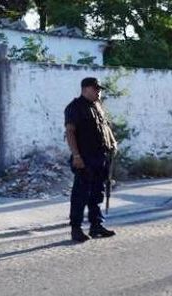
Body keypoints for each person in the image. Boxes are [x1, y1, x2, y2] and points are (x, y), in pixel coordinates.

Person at [65, 77, 117, 243]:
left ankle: (96, 225)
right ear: (85, 89)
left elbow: (104, 127)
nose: (98, 92)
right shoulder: (75, 107)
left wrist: (112, 143)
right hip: (84, 158)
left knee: (97, 193)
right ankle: (76, 228)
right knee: (80, 194)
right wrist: (76, 156)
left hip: (100, 157)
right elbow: (70, 132)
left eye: (99, 89)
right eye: (96, 89)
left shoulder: (97, 106)